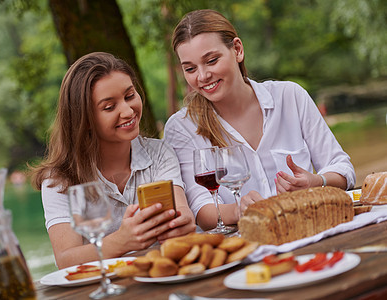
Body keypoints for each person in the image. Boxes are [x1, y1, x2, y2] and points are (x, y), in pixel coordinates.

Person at [164, 9, 356, 231]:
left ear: (237, 49)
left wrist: (316, 181)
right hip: (248, 244)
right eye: (190, 68)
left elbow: (343, 169)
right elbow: (201, 211)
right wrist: (239, 209)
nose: (202, 76)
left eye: (212, 60)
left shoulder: (290, 96)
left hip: (310, 228)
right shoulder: (182, 127)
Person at [30, 52, 195, 269]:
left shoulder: (160, 153)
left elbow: (181, 213)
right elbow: (66, 261)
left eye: (129, 96)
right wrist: (121, 241)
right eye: (109, 107)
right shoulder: (59, 180)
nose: (128, 111)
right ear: (84, 119)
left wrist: (182, 224)